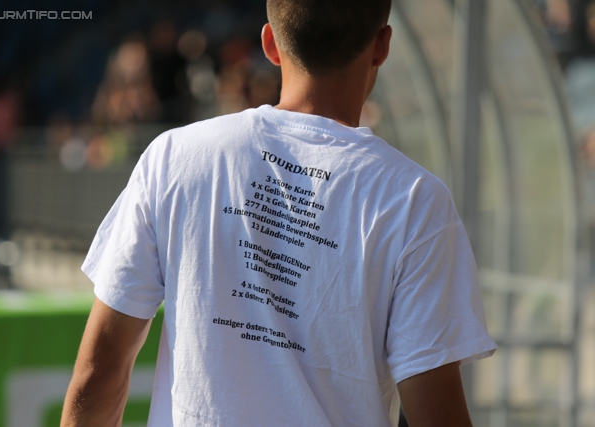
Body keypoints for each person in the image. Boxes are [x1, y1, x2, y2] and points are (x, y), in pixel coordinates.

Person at [61, 0, 497, 425]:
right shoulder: (414, 200)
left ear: (270, 44)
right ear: (382, 45)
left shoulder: (175, 157)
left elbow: (100, 372)